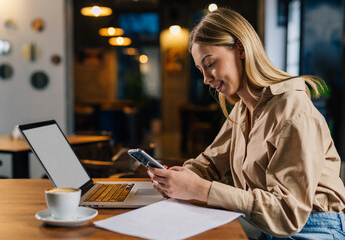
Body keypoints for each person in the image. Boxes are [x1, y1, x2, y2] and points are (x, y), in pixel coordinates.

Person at [148, 7, 345, 239]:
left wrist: (200, 189)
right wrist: (177, 177)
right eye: (201, 70)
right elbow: (210, 163)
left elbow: (288, 214)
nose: (206, 79)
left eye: (210, 63)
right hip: (265, 225)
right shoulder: (243, 108)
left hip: (313, 228)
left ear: (240, 48)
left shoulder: (293, 110)